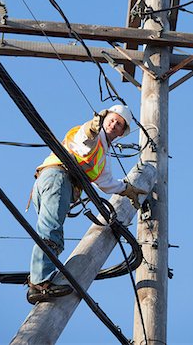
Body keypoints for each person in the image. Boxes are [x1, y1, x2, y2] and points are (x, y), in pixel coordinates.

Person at [27, 104, 146, 304]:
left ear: (121, 133)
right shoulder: (94, 134)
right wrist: (92, 127)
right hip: (57, 179)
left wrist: (127, 189)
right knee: (51, 232)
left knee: (50, 231)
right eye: (112, 119)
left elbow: (107, 183)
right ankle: (40, 284)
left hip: (56, 185)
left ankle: (40, 279)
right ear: (104, 118)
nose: (114, 124)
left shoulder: (104, 154)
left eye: (119, 124)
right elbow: (84, 139)